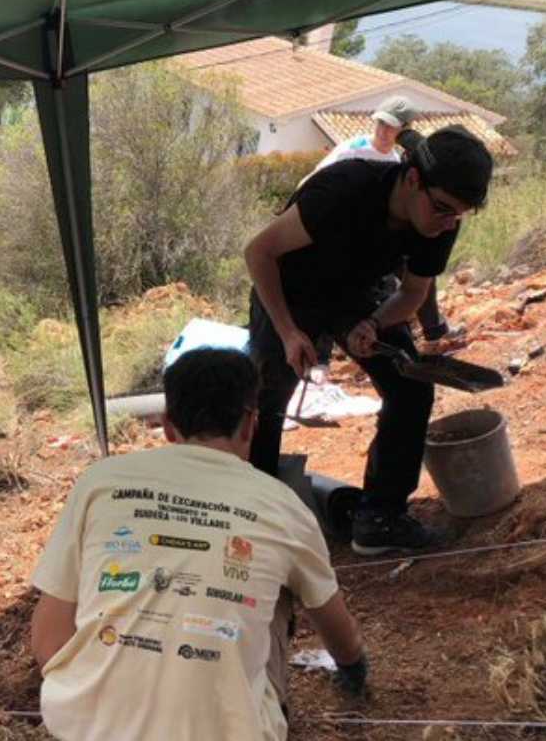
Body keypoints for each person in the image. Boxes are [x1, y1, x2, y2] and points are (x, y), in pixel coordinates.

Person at [29, 347, 366, 740]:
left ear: (169, 426)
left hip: (81, 727)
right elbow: (338, 630)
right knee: (277, 591)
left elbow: (48, 641)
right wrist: (354, 669)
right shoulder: (283, 506)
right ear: (250, 425)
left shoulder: (99, 481)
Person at [243, 125, 493, 556]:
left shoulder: (440, 220)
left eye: (459, 215)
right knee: (269, 398)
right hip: (289, 288)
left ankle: (380, 516)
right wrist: (288, 332)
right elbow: (259, 252)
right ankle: (257, 522)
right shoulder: (344, 189)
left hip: (356, 293)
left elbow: (412, 293)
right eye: (442, 209)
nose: (447, 223)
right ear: (412, 179)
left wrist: (374, 325)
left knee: (410, 385)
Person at [304, 96, 460, 353]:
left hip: (386, 239)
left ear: (405, 130)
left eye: (391, 126)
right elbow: (313, 183)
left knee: (418, 277)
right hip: (343, 235)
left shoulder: (401, 163)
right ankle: (321, 353)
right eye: (380, 123)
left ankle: (432, 334)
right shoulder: (351, 150)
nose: (383, 131)